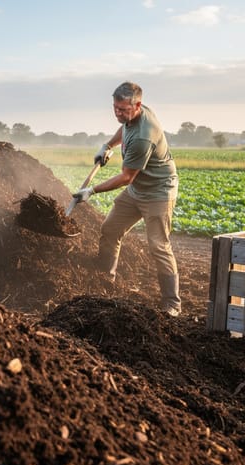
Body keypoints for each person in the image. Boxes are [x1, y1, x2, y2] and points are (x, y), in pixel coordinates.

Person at [71, 81, 181, 316]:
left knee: (158, 246)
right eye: (115, 108)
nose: (118, 113)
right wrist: (108, 145)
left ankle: (172, 303)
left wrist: (92, 191)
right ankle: (105, 281)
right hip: (138, 190)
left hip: (158, 193)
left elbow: (126, 177)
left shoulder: (144, 136)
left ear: (137, 105)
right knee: (110, 229)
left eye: (123, 109)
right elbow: (125, 128)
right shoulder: (133, 117)